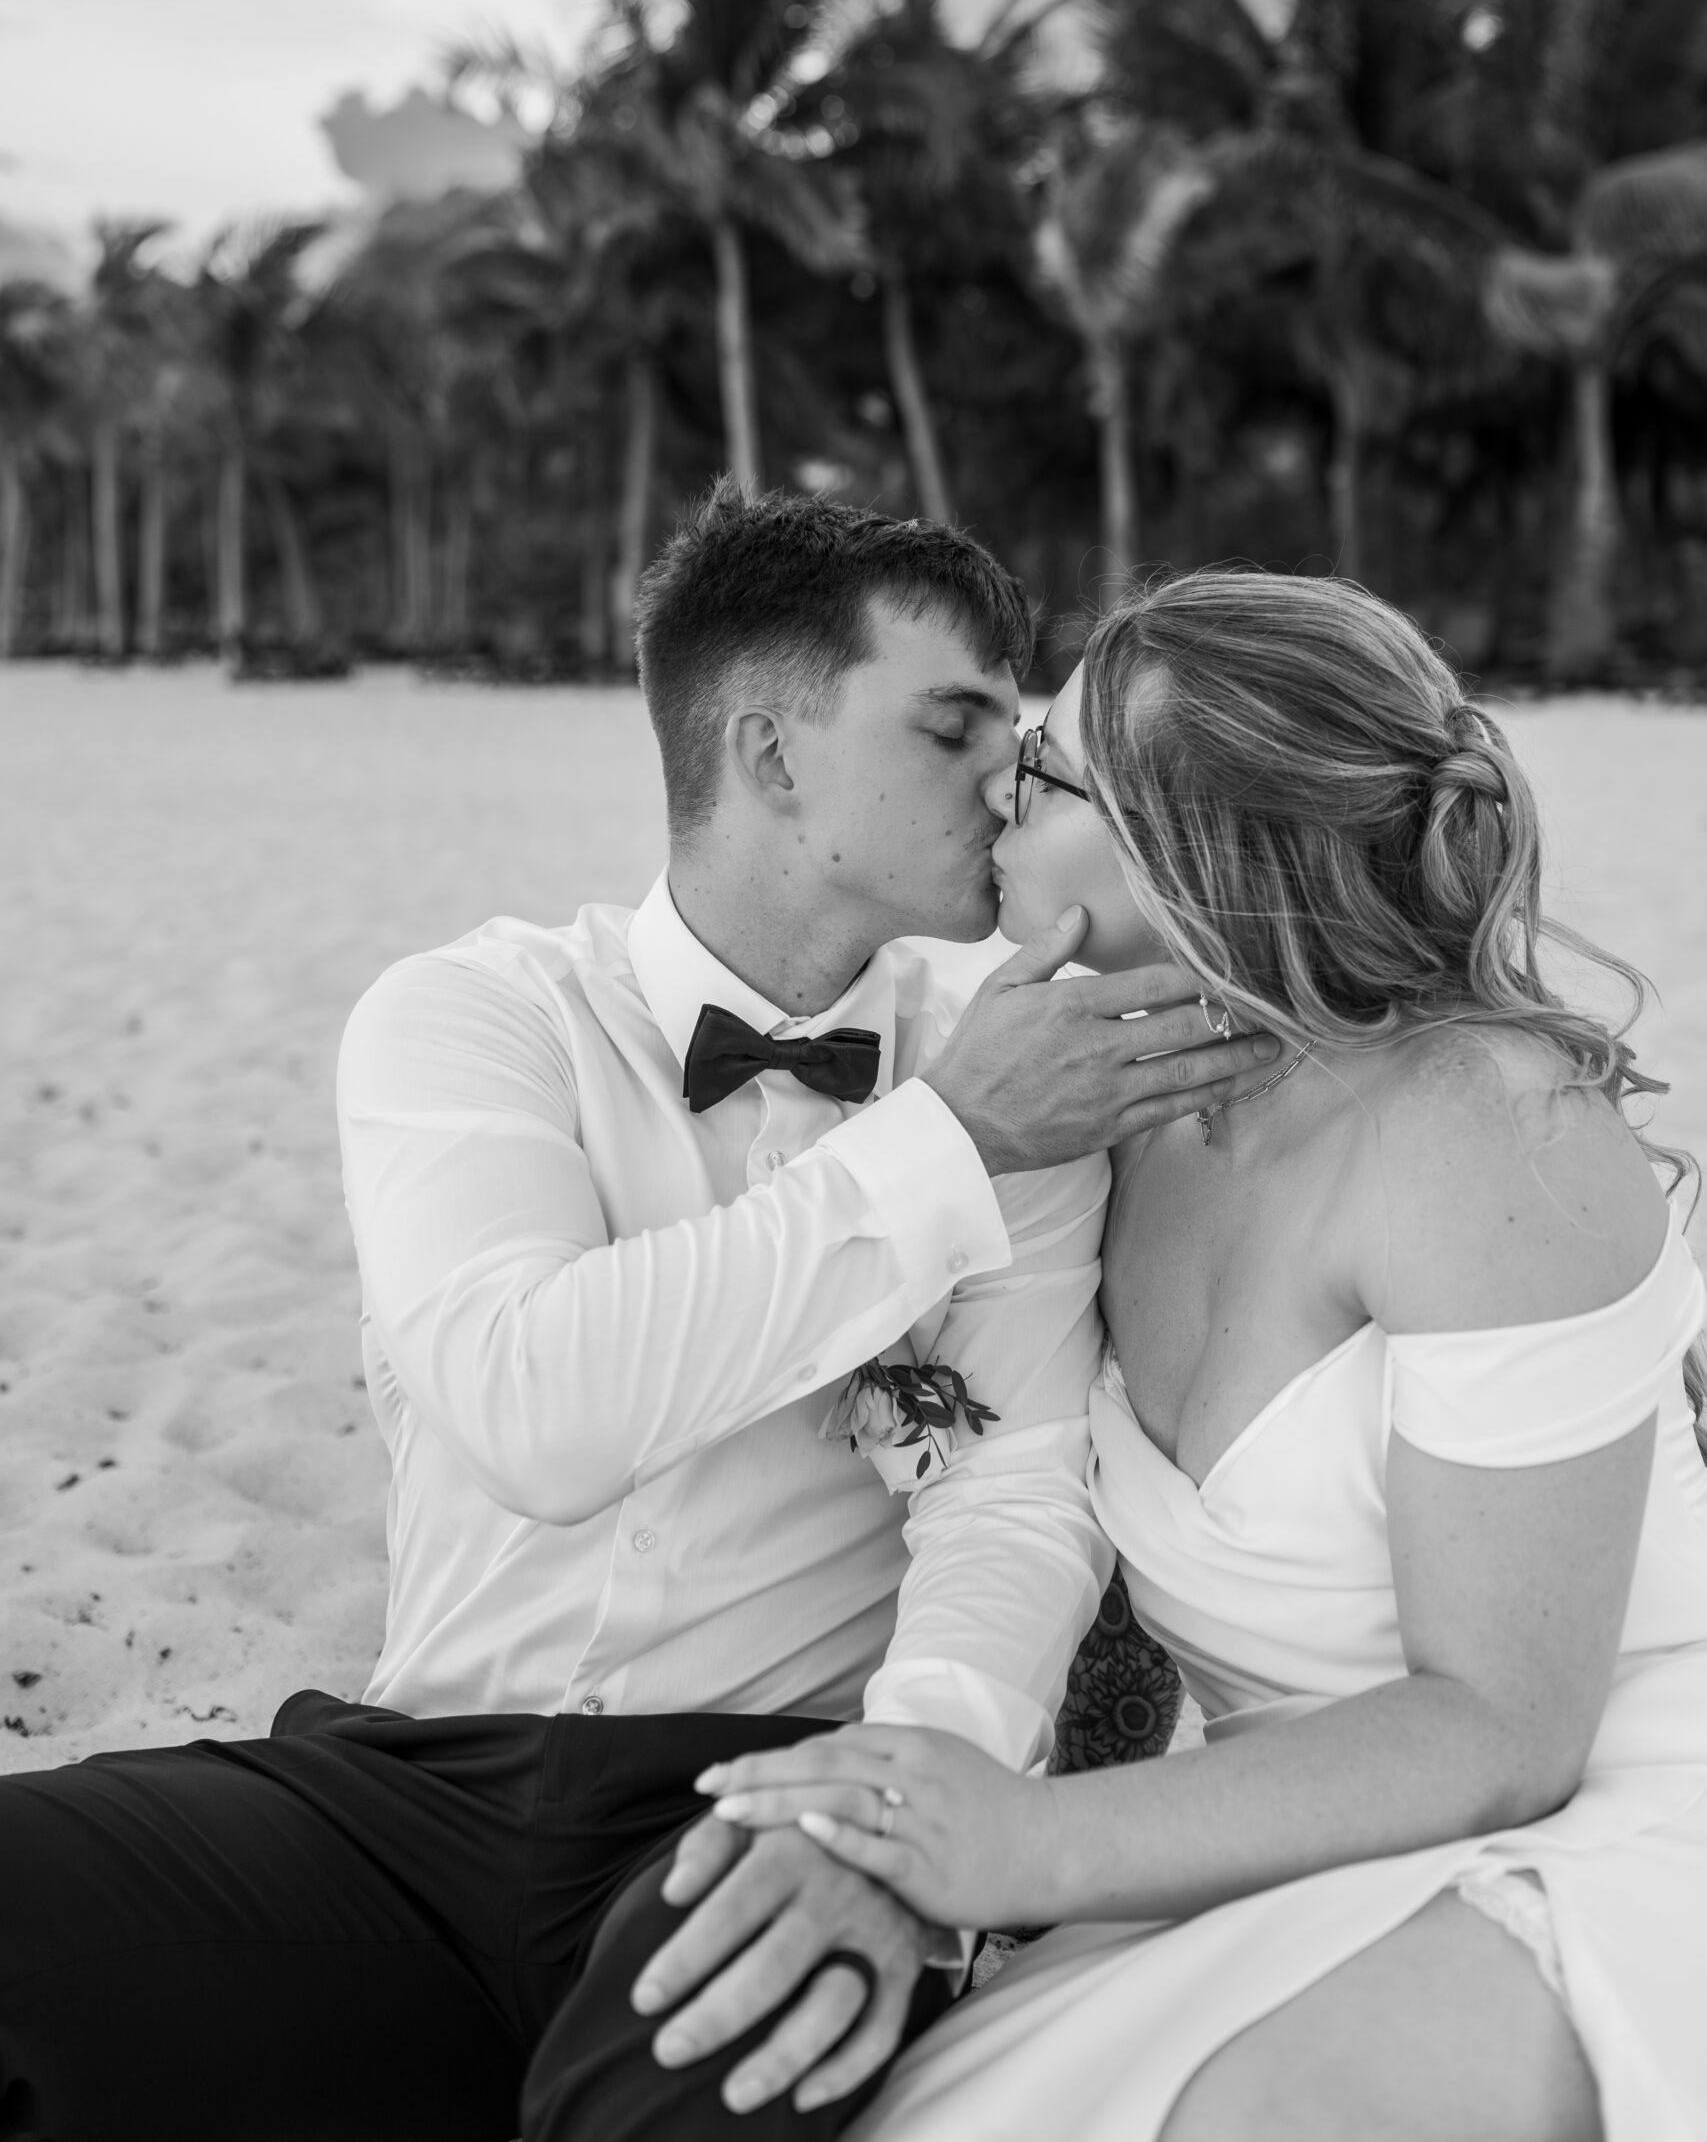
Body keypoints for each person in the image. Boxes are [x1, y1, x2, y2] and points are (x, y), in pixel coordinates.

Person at [0, 490, 1279, 2142]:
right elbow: (536, 1411)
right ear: (770, 753)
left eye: (1019, 734)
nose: (1011, 779)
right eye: (957, 725)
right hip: (407, 1794)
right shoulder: (471, 1017)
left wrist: (901, 1805)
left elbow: (1014, 1492)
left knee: (713, 2058)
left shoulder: (1012, 1058)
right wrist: (941, 1146)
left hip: (759, 1794)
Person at [694, 569, 1707, 2142]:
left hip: (1592, 1817)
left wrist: (1027, 1848)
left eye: (1043, 771)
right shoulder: (1120, 1114)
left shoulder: (1485, 1129)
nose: (995, 793)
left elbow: (1509, 1729)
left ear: (1195, 846)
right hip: (1262, 1848)